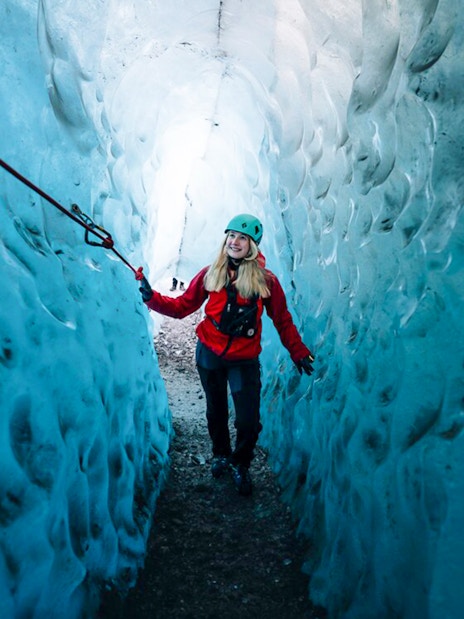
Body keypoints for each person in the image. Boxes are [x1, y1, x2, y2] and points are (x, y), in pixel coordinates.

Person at [137, 214, 314, 496]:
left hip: (244, 360)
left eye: (242, 237)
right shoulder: (212, 273)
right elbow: (183, 306)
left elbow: (282, 319)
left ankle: (240, 462)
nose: (235, 241)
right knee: (216, 411)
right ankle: (221, 454)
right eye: (231, 235)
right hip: (210, 354)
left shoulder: (266, 281)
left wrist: (298, 352)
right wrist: (151, 298)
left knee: (248, 421)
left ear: (253, 245)